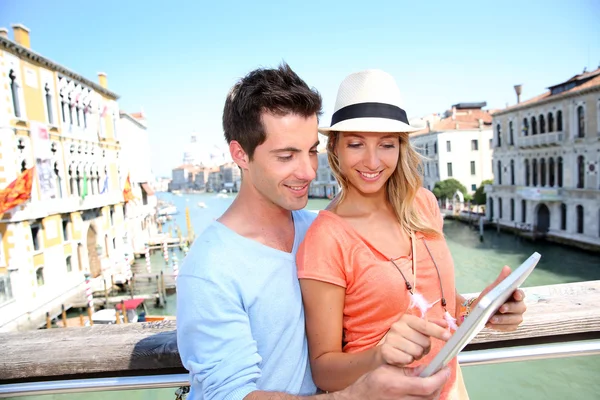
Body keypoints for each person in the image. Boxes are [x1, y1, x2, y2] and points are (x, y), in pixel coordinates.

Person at [176, 63, 453, 400]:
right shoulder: (209, 269)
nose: (307, 171)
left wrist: (475, 308)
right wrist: (356, 395)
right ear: (240, 155)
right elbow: (232, 396)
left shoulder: (315, 227)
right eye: (286, 155)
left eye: (310, 151)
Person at [296, 69, 527, 399]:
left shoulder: (424, 204)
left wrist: (485, 309)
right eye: (356, 144)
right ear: (335, 148)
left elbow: (441, 305)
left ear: (401, 146)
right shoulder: (325, 239)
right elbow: (324, 369)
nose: (372, 161)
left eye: (386, 144)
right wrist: (380, 354)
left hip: (452, 389)